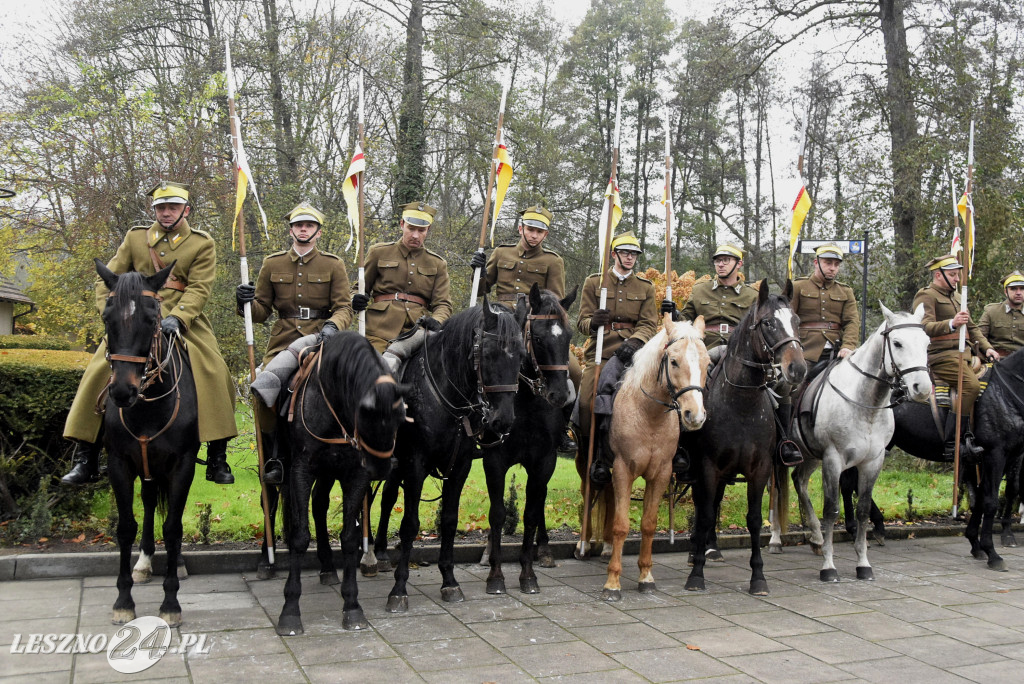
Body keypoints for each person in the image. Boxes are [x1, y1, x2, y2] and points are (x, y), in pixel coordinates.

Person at [61, 181, 238, 485]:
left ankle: (217, 456)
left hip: (182, 319)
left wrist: (179, 317)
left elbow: (199, 288)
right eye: (160, 208)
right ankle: (85, 454)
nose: (166, 213)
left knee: (214, 370)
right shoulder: (135, 238)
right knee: (99, 367)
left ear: (186, 210)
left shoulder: (201, 243)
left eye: (172, 207)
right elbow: (108, 280)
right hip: (135, 318)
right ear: (153, 210)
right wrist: (114, 314)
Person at [236, 202, 353, 484]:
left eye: (309, 225)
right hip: (283, 340)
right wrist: (245, 303)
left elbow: (344, 308)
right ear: (290, 230)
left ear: (319, 232)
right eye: (299, 225)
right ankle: (275, 454)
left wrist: (331, 327)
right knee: (264, 388)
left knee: (355, 387)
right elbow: (262, 311)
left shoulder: (333, 264)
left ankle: (354, 450)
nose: (304, 229)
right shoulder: (272, 263)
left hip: (322, 340)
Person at [471, 205, 578, 451]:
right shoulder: (501, 253)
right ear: (521, 228)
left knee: (575, 372)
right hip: (501, 325)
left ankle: (562, 430)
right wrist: (477, 271)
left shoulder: (553, 261)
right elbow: (482, 290)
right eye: (530, 229)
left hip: (535, 326)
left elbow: (556, 304)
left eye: (539, 232)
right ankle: (474, 422)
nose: (534, 235)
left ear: (545, 235)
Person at [575, 231, 659, 485]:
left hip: (636, 355)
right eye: (625, 253)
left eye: (634, 254)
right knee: (587, 400)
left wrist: (636, 342)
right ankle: (594, 452)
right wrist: (594, 322)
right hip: (601, 351)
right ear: (614, 254)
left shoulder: (645, 287)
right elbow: (581, 322)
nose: (630, 257)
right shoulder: (594, 283)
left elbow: (649, 324)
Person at [913, 254, 998, 460]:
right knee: (971, 386)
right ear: (938, 275)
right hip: (942, 356)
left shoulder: (959, 297)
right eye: (952, 275)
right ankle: (953, 442)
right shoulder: (926, 296)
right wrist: (951, 323)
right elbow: (923, 327)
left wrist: (988, 349)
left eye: (957, 274)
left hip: (967, 355)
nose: (957, 279)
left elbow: (973, 328)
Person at [350, 201, 452, 367]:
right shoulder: (379, 252)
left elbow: (443, 304)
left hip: (417, 333)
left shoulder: (437, 263)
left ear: (428, 230)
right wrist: (355, 299)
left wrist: (437, 321)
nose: (415, 235)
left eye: (421, 230)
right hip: (378, 331)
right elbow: (358, 289)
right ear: (402, 224)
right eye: (411, 228)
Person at [791, 243, 860, 377]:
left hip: (837, 351)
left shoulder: (846, 291)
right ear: (816, 262)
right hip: (805, 349)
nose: (832, 268)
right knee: (789, 386)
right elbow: (787, 320)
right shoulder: (797, 286)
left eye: (836, 264)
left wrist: (848, 346)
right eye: (828, 263)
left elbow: (852, 321)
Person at [679, 244, 757, 357]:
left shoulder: (752, 295)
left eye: (726, 260)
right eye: (717, 261)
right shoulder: (700, 290)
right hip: (703, 350)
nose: (720, 265)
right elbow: (685, 322)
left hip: (739, 352)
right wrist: (674, 314)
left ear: (739, 264)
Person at [979, 271, 1024, 359]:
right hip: (997, 361)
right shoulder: (991, 311)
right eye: (1013, 288)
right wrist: (987, 349)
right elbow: (979, 336)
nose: (1018, 292)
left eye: (1022, 288)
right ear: (1005, 291)